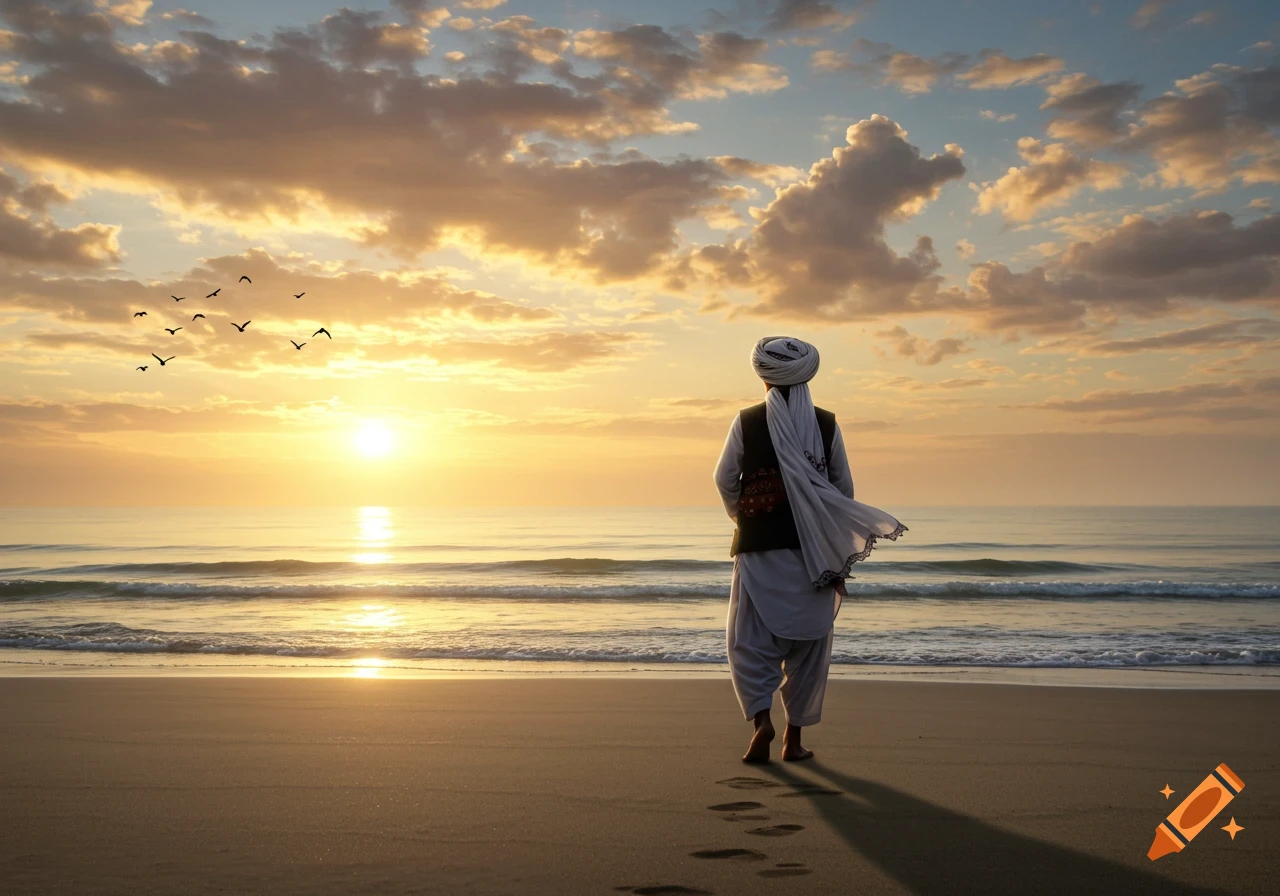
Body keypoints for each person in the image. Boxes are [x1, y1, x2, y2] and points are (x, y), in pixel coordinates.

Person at [714, 337, 906, 764]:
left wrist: (742, 517)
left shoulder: (746, 421)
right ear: (806, 375)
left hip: (758, 548)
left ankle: (762, 721)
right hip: (814, 552)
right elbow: (844, 489)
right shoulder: (826, 424)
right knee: (810, 647)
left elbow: (725, 478)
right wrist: (829, 536)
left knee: (749, 640)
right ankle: (793, 741)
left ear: (764, 377)